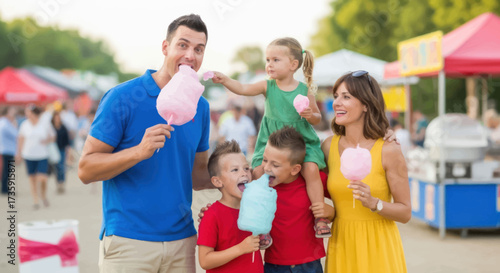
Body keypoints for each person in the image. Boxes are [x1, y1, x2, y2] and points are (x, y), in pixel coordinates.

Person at [78, 14, 212, 273]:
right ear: (165, 47)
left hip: (182, 242)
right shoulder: (122, 97)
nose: (190, 55)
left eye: (198, 49)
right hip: (128, 242)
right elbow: (85, 170)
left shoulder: (201, 107)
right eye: (182, 45)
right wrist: (138, 152)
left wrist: (246, 174)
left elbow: (198, 176)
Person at [212, 37, 331, 238]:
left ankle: (320, 216)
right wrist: (225, 80)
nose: (269, 64)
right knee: (258, 173)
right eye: (268, 60)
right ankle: (261, 223)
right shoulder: (268, 86)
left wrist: (311, 116)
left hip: (299, 142)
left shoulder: (304, 90)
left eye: (276, 60)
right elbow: (242, 89)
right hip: (271, 143)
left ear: (293, 65)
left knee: (310, 169)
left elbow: (318, 119)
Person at [321, 71, 411, 273]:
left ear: (366, 105)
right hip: (341, 246)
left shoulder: (389, 150)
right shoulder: (328, 147)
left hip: (379, 248)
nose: (337, 103)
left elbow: (405, 212)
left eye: (346, 97)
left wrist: (375, 203)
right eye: (336, 96)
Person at [261, 126, 326, 273]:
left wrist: (330, 211)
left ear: (295, 169)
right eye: (265, 160)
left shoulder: (313, 181)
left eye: (275, 164)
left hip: (310, 265)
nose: (266, 168)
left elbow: (343, 196)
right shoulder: (260, 185)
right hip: (274, 265)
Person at [197, 140, 264, 273]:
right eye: (235, 170)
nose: (244, 173)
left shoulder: (255, 209)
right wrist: (241, 248)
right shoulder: (212, 215)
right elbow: (205, 261)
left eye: (246, 168)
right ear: (217, 181)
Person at [16, 104, 56, 209]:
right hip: (28, 155)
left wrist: (46, 141)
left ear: (34, 113)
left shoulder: (45, 124)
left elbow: (53, 137)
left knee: (42, 178)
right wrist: (19, 153)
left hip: (42, 155)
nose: (26, 114)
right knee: (32, 179)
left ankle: (43, 195)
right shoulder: (24, 125)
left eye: (28, 112)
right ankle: (35, 200)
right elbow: (21, 139)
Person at [50, 112, 71, 194]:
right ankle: (58, 184)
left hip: (62, 149)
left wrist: (68, 151)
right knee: (56, 168)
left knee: (62, 167)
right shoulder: (51, 127)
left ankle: (62, 184)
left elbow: (67, 141)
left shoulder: (63, 127)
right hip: (54, 149)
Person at [0, 106, 18, 194]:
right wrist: (14, 124)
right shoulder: (5, 123)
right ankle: (5, 189)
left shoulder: (4, 122)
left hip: (7, 150)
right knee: (7, 171)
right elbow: (16, 134)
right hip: (7, 150)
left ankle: (5, 188)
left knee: (6, 171)